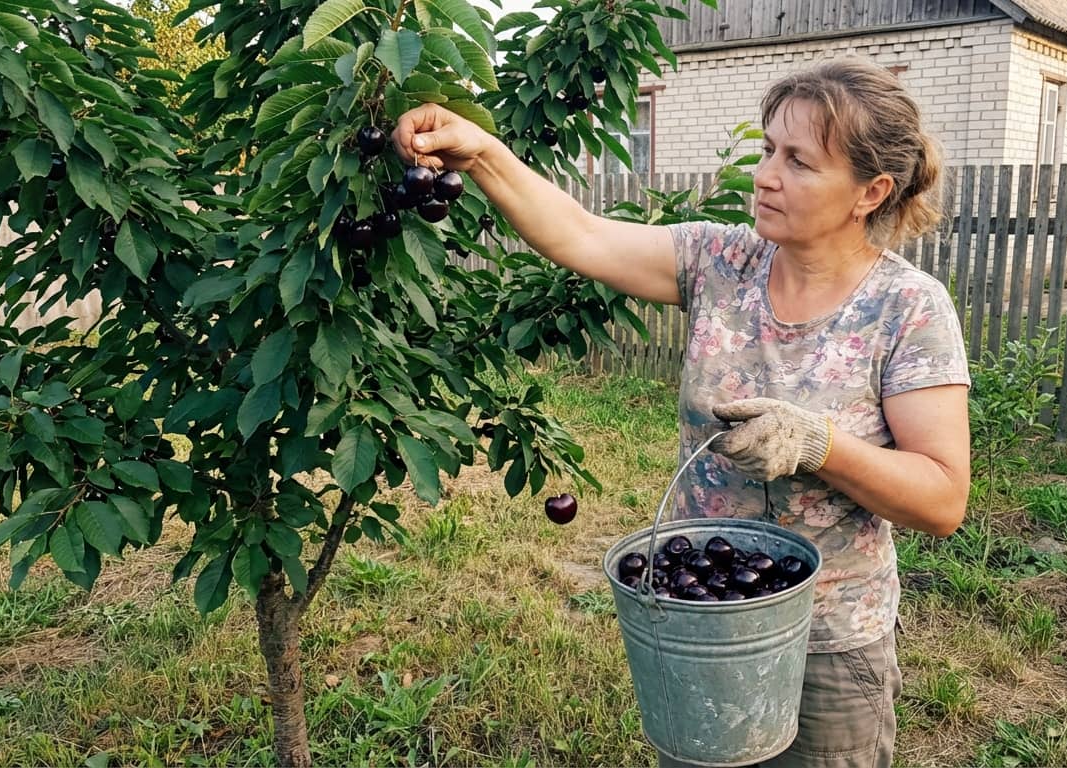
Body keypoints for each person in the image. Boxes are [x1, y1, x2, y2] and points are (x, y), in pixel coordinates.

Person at [393, 54, 970, 768]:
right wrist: (482, 152)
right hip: (698, 616)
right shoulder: (719, 262)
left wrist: (819, 443)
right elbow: (582, 236)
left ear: (869, 191)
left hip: (826, 639)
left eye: (798, 161)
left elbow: (942, 499)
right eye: (767, 150)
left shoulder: (906, 308)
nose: (765, 174)